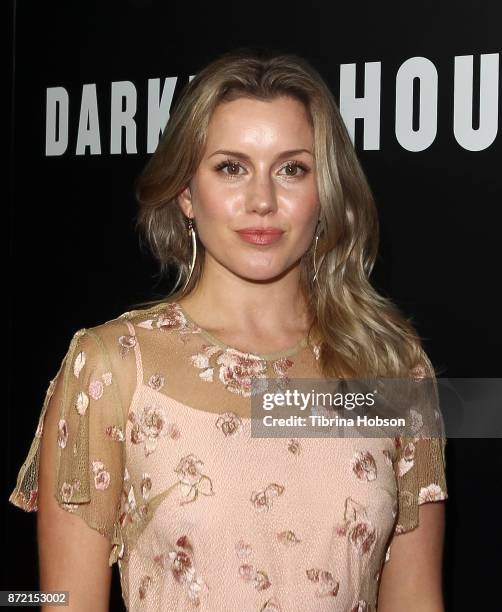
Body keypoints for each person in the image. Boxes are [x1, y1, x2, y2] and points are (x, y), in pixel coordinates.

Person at [9, 47, 448, 611]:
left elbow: (416, 601)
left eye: (292, 169)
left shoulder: (390, 365)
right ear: (187, 194)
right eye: (230, 167)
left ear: (327, 192)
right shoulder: (114, 366)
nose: (262, 200)